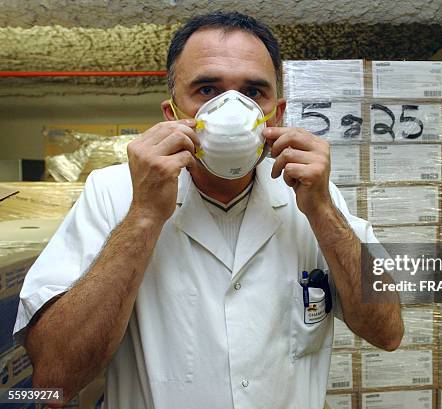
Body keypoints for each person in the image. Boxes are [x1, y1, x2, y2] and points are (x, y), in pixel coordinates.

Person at [14, 11, 403, 409]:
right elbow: (54, 380)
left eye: (253, 92)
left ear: (277, 113)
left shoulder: (314, 196)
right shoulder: (113, 192)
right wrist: (145, 216)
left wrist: (321, 211)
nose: (232, 110)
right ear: (173, 114)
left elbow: (388, 332)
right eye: (206, 90)